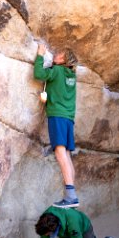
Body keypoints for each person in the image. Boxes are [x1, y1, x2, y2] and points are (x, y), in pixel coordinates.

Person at [34, 44, 80, 208]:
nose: (57, 54)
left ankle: (71, 195)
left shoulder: (58, 71)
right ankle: (70, 195)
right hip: (68, 117)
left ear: (64, 60)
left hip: (57, 116)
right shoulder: (71, 75)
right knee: (66, 154)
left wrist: (40, 55)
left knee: (60, 152)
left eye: (60, 53)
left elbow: (39, 74)